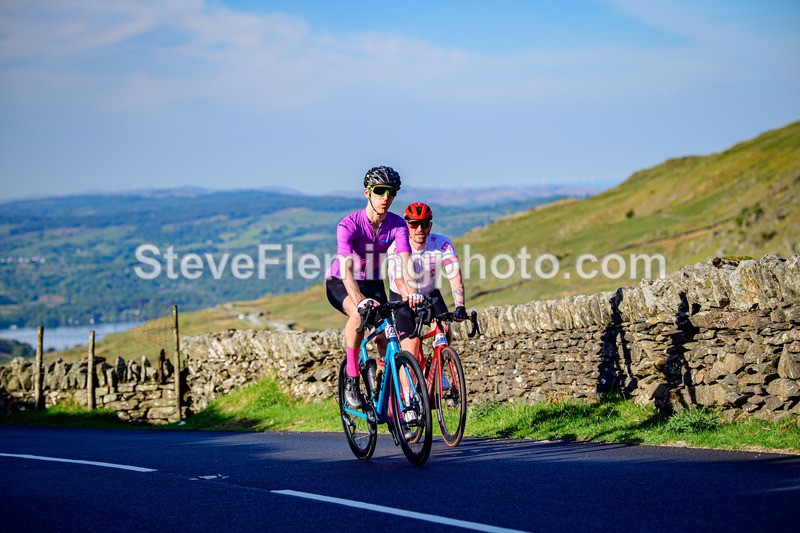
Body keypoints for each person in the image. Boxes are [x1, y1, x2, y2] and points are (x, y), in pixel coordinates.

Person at [325, 166, 423, 410]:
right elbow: (347, 269)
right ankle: (351, 375)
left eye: (391, 192)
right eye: (380, 191)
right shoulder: (348, 225)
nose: (386, 197)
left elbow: (405, 262)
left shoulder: (397, 225)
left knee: (386, 335)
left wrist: (412, 291)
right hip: (341, 280)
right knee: (358, 314)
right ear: (367, 192)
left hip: (373, 281)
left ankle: (387, 395)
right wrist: (358, 299)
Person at [387, 202, 467, 359]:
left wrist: (460, 306)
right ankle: (407, 384)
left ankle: (436, 371)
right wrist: (410, 297)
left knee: (444, 329)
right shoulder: (397, 246)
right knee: (412, 346)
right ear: (407, 225)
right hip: (402, 297)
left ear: (430, 226)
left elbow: (455, 276)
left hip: (429, 292)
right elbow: (399, 280)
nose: (419, 229)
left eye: (424, 223)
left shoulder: (442, 244)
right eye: (414, 224)